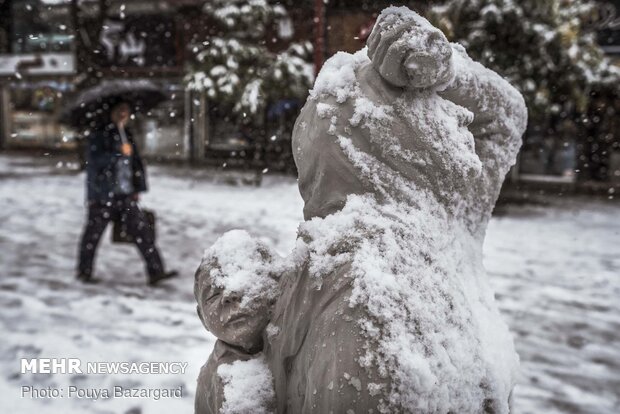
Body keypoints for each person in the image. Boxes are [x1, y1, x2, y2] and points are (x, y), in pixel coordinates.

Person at [77, 101, 177, 286]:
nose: (124, 113)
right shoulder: (100, 133)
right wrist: (117, 152)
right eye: (120, 110)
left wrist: (137, 187)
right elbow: (95, 161)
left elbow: (135, 163)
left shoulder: (126, 133)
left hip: (125, 194)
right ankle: (84, 271)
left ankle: (156, 271)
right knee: (92, 235)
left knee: (143, 232)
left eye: (127, 110)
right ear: (111, 111)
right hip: (103, 195)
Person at [193, 233, 277, 414]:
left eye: (244, 280)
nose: (230, 295)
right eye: (213, 294)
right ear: (202, 318)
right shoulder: (226, 381)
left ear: (276, 286)